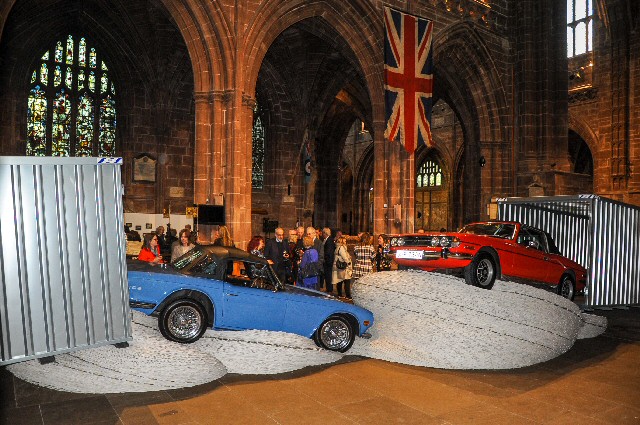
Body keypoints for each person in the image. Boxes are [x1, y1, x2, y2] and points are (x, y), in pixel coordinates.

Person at [322, 227, 335, 293]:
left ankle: (329, 289)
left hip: (328, 261)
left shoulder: (329, 240)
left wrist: (324, 258)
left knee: (328, 276)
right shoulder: (327, 239)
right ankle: (328, 288)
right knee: (327, 276)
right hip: (327, 261)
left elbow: (328, 252)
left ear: (325, 233)